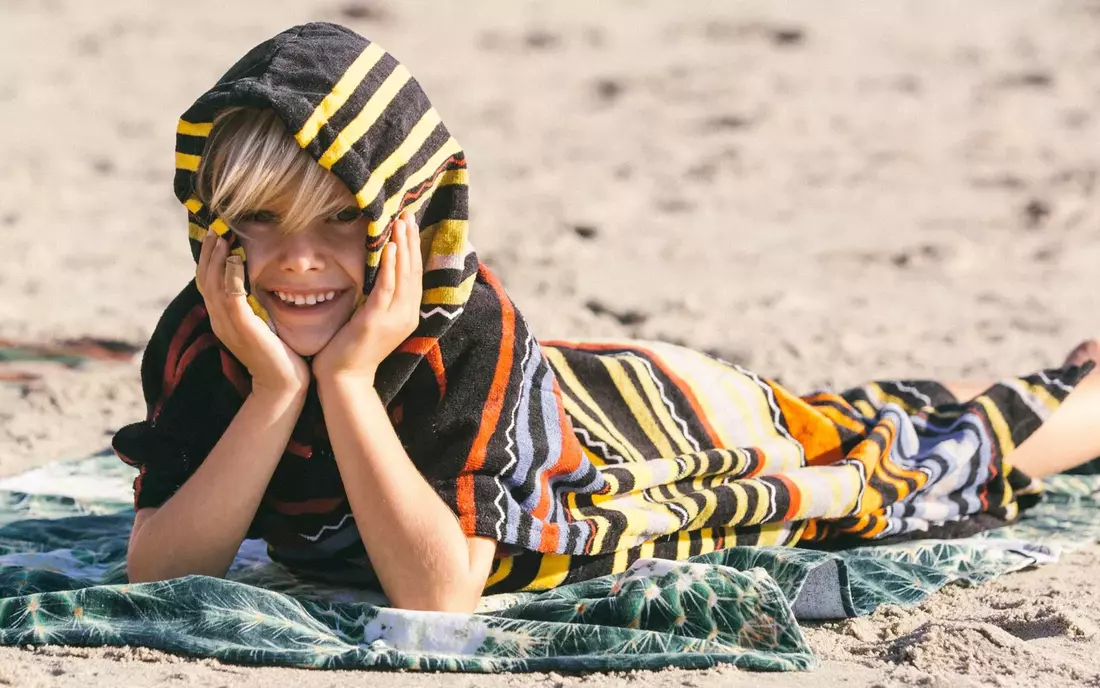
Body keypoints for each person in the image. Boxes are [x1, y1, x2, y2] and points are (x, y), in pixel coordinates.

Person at [112, 22, 1100, 614]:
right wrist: (281, 389)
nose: (296, 262)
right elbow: (158, 572)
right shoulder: (213, 334)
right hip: (579, 380)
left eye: (342, 219)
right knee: (858, 411)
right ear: (213, 228)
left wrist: (348, 384)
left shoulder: (463, 332)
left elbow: (438, 593)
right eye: (259, 223)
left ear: (409, 220)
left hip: (632, 427)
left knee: (891, 456)